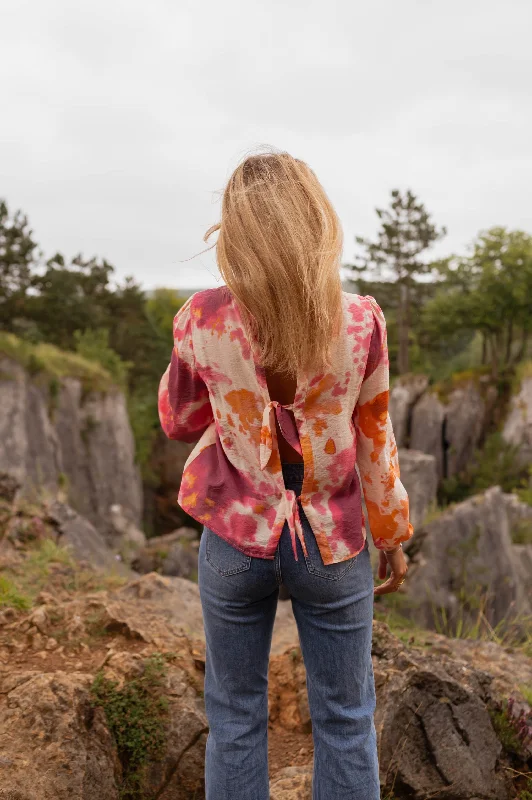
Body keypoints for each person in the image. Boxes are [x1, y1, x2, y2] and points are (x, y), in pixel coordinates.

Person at [158, 150, 413, 800]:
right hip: (332, 539)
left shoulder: (202, 318)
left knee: (236, 717)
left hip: (237, 538)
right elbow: (374, 437)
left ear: (235, 233)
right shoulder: (360, 321)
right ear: (316, 223)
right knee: (347, 720)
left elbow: (180, 420)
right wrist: (392, 533)